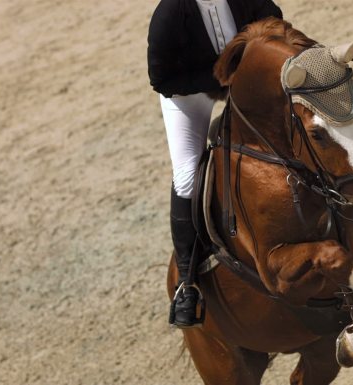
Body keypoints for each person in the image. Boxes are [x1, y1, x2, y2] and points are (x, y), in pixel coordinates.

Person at [147, 0, 283, 328]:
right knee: (187, 177)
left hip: (242, 82)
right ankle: (187, 282)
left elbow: (275, 22)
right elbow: (161, 79)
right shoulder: (169, 14)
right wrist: (218, 78)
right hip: (189, 98)